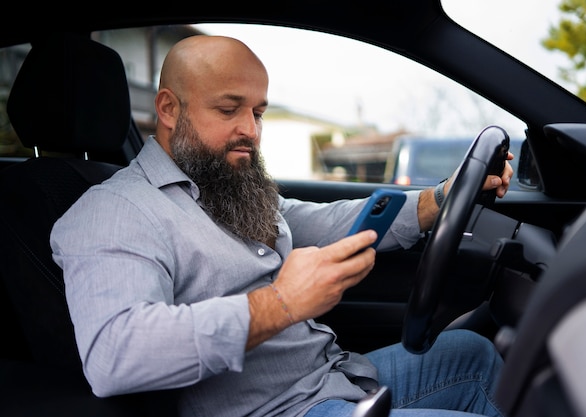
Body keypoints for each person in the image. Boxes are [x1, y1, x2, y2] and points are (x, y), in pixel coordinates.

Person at [50, 35, 514, 417]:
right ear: (169, 110)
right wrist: (280, 303)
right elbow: (116, 355)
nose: (251, 130)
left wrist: (438, 199)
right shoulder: (114, 210)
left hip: (329, 380)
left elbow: (316, 221)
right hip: (278, 411)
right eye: (229, 109)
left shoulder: (222, 184)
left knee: (470, 355)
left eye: (258, 112)